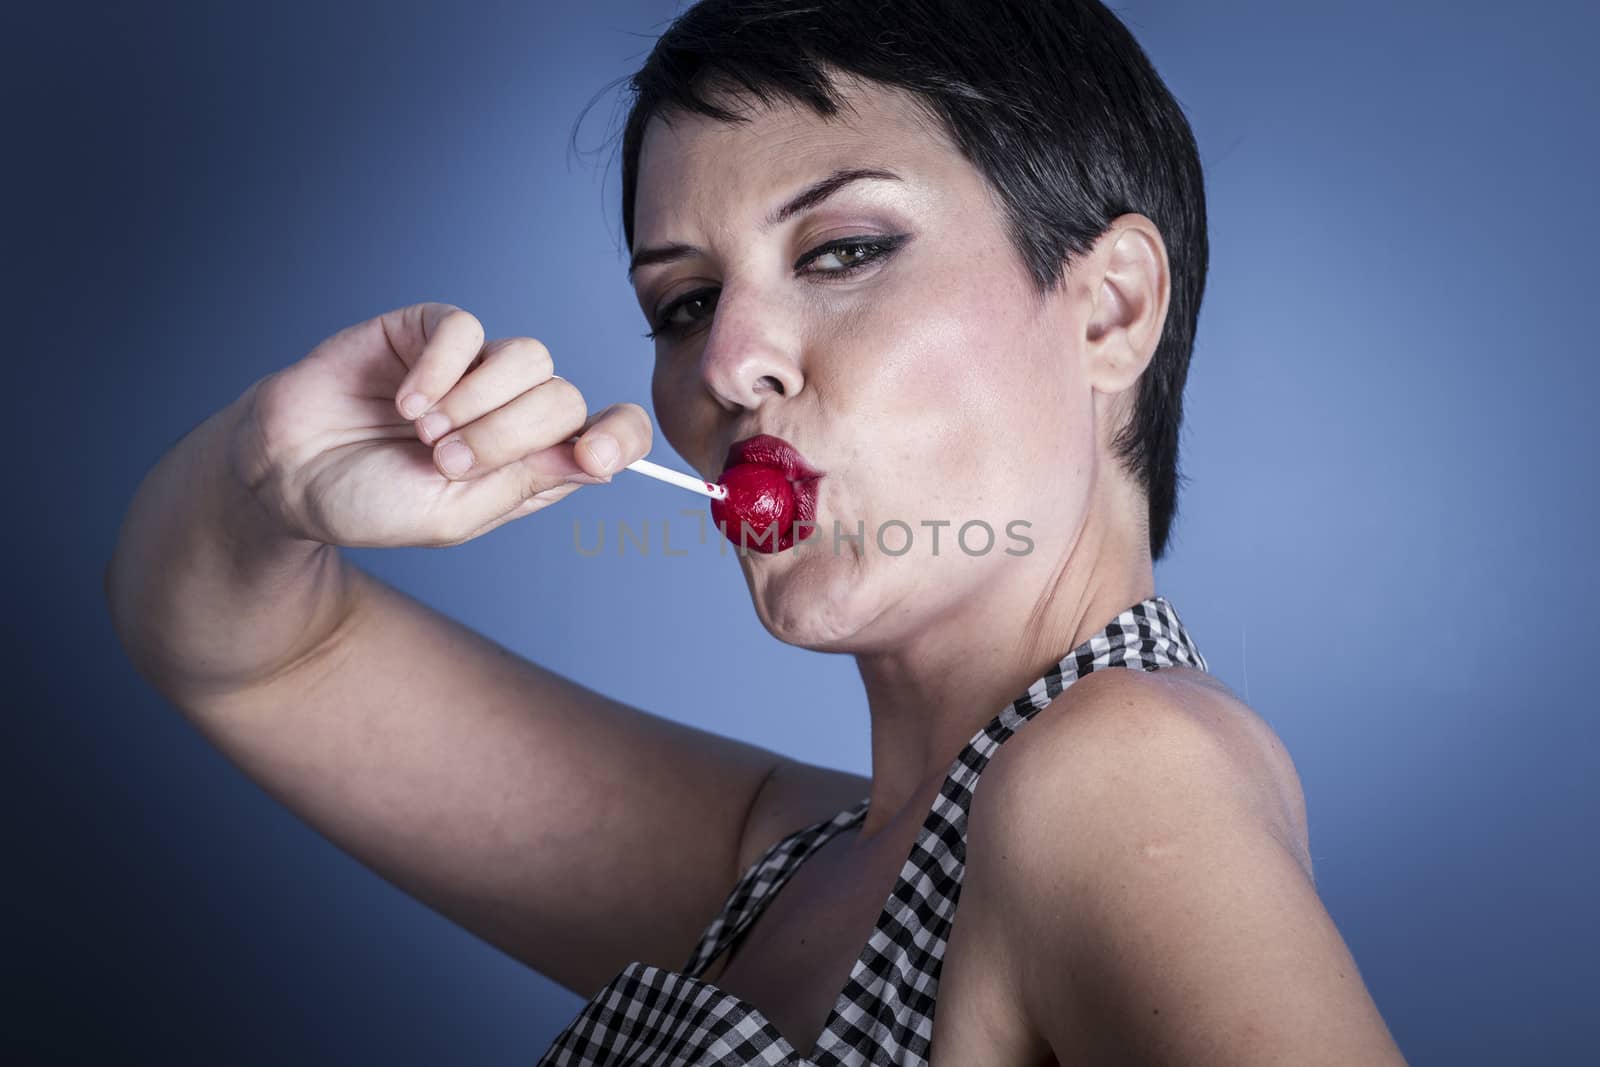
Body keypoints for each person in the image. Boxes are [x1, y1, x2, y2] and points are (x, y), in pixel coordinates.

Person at [104, 0, 1407, 1063]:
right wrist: (273, 465)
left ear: (1112, 308)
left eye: (841, 250)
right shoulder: (780, 866)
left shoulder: (1116, 781)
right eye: (682, 302)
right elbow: (244, 650)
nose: (728, 365)